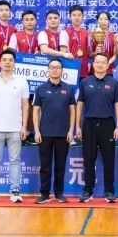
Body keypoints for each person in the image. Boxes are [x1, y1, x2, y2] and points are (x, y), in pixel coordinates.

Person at [76, 52, 118, 203]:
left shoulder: (114, 83)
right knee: (88, 159)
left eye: (103, 62)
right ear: (93, 64)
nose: (100, 65)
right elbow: (80, 105)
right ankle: (87, 190)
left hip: (108, 124)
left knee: (108, 159)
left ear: (107, 64)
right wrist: (78, 126)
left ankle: (109, 191)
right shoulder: (85, 82)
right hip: (89, 124)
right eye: (97, 62)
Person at [0, 48, 29, 203]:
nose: (7, 62)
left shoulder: (21, 81)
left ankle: (15, 191)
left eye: (10, 60)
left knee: (15, 160)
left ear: (14, 63)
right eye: (4, 60)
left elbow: (25, 105)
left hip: (15, 128)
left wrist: (24, 126)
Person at [33, 57, 76, 203]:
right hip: (44, 134)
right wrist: (37, 131)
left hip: (63, 134)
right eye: (52, 67)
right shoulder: (40, 89)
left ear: (62, 70)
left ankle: (59, 194)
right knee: (45, 166)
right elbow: (36, 111)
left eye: (58, 67)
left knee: (60, 166)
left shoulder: (68, 89)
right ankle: (44, 194)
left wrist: (71, 130)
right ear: (48, 70)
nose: (55, 69)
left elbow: (72, 111)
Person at [66, 5, 92, 80]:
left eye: (79, 15)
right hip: (70, 69)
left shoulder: (86, 33)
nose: (76, 17)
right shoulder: (65, 32)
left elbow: (90, 53)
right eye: (74, 15)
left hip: (84, 71)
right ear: (70, 17)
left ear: (82, 17)